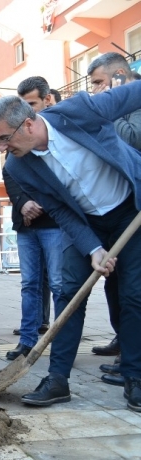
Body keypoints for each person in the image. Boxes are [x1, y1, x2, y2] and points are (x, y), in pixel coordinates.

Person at [0, 84, 141, 412]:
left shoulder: (82, 111)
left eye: (3, 138)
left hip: (130, 210)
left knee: (133, 295)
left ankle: (135, 377)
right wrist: (93, 248)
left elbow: (134, 94)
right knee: (69, 292)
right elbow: (60, 210)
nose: (2, 147)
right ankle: (57, 380)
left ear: (28, 124)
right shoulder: (18, 166)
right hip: (86, 223)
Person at [86, 52, 141, 362]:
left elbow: (133, 138)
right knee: (116, 284)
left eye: (100, 83)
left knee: (133, 289)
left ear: (120, 75)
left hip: (135, 207)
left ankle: (133, 358)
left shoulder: (136, 102)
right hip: (116, 210)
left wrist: (110, 109)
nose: (96, 91)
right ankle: (124, 344)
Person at [4, 76, 63, 360]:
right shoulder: (18, 130)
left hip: (55, 223)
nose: (27, 112)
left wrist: (39, 202)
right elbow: (10, 171)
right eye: (23, 105)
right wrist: (23, 202)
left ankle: (61, 345)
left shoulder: (59, 131)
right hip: (26, 225)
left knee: (59, 284)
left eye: (32, 104)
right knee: (30, 284)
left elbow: (63, 178)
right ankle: (27, 341)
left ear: (47, 99)